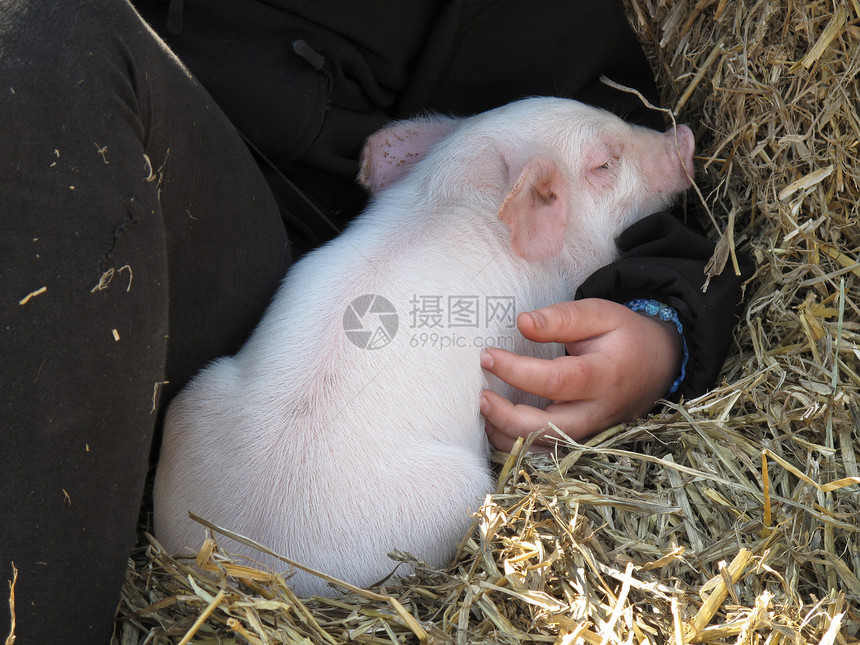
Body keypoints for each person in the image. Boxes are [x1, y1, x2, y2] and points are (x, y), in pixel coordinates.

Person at [0, 1, 752, 642]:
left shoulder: (515, 101)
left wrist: (662, 328)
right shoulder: (512, 209)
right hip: (123, 233)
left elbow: (619, 146)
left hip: (227, 392)